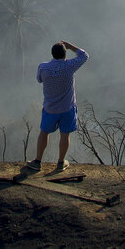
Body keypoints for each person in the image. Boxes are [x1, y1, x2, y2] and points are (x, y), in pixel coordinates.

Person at [27, 40, 88, 173]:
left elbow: (39, 80)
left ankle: (37, 161)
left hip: (50, 108)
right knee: (65, 135)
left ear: (52, 54)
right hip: (67, 108)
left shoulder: (43, 68)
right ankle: (61, 162)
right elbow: (84, 56)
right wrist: (69, 45)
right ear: (65, 54)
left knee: (44, 133)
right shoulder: (70, 66)